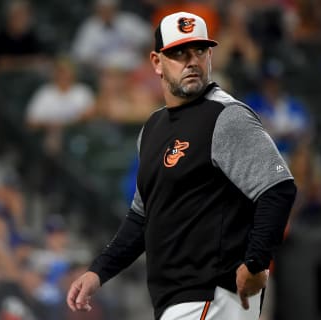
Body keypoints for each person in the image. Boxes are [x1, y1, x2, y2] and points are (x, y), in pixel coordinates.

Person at [66, 11, 297, 320]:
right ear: (157, 62)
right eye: (178, 52)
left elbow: (278, 187)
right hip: (178, 299)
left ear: (210, 56)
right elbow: (142, 216)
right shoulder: (152, 129)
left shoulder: (225, 116)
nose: (191, 60)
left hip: (213, 293)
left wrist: (256, 263)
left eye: (199, 50)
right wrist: (99, 271)